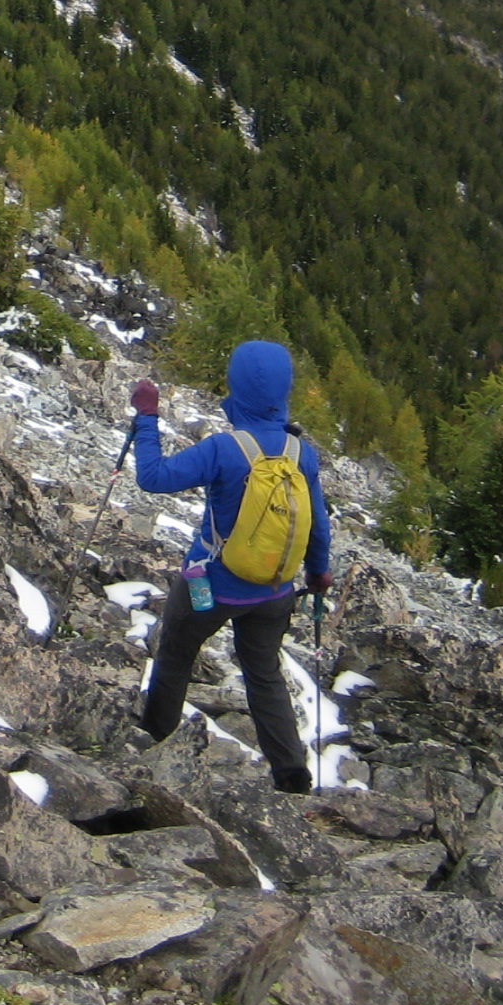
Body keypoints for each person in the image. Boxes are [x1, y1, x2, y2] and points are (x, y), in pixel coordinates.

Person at [128, 339, 332, 794]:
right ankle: (291, 774)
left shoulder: (223, 449)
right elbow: (318, 524)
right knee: (264, 674)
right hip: (274, 591)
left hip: (213, 586)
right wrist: (318, 574)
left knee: (176, 657)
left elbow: (153, 477)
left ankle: (153, 742)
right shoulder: (303, 453)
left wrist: (146, 418)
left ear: (236, 388)